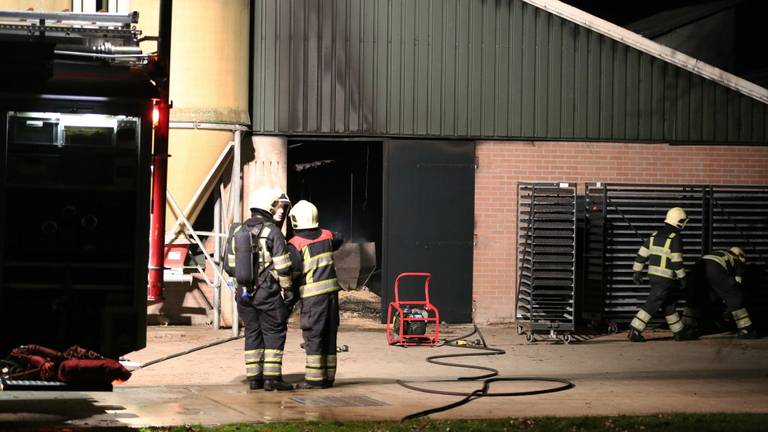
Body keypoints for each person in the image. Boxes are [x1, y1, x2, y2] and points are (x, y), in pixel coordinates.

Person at [237, 187, 294, 391]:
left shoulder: (237, 230)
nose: (281, 211)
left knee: (252, 332)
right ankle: (272, 379)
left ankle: (254, 379)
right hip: (267, 293)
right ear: (269, 206)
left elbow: (229, 266)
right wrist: (288, 292)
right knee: (274, 332)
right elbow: (283, 267)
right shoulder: (273, 232)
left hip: (243, 294)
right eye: (278, 206)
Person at [286, 200, 344, 389]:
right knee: (329, 335)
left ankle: (314, 380)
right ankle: (328, 378)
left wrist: (288, 296)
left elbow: (293, 274)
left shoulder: (295, 245)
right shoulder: (328, 236)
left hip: (313, 299)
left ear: (294, 221)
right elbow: (339, 237)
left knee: (313, 337)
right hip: (332, 297)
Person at [627, 207, 697, 342]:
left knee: (668, 304)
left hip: (653, 277)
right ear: (679, 221)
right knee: (653, 303)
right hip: (665, 279)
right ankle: (634, 330)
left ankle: (679, 332)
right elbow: (677, 262)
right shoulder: (675, 238)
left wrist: (637, 272)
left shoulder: (654, 235)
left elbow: (641, 255)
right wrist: (683, 278)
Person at [683, 247, 760, 339]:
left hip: (698, 267)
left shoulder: (719, 253)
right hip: (715, 268)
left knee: (696, 297)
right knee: (735, 296)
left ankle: (688, 328)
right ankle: (746, 329)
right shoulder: (737, 260)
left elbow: (715, 287)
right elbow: (737, 284)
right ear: (741, 256)